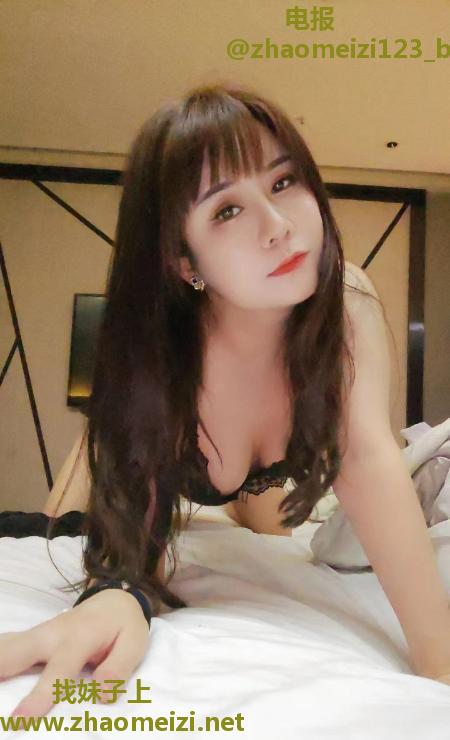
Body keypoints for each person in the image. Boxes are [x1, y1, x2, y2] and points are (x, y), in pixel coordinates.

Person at [2, 82, 450, 720]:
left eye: (284, 182)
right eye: (227, 210)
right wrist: (116, 592)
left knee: (269, 530)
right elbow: (126, 550)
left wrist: (439, 664)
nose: (279, 226)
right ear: (184, 260)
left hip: (270, 473)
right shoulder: (158, 354)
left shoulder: (348, 307)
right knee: (65, 527)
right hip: (174, 444)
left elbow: (366, 462)